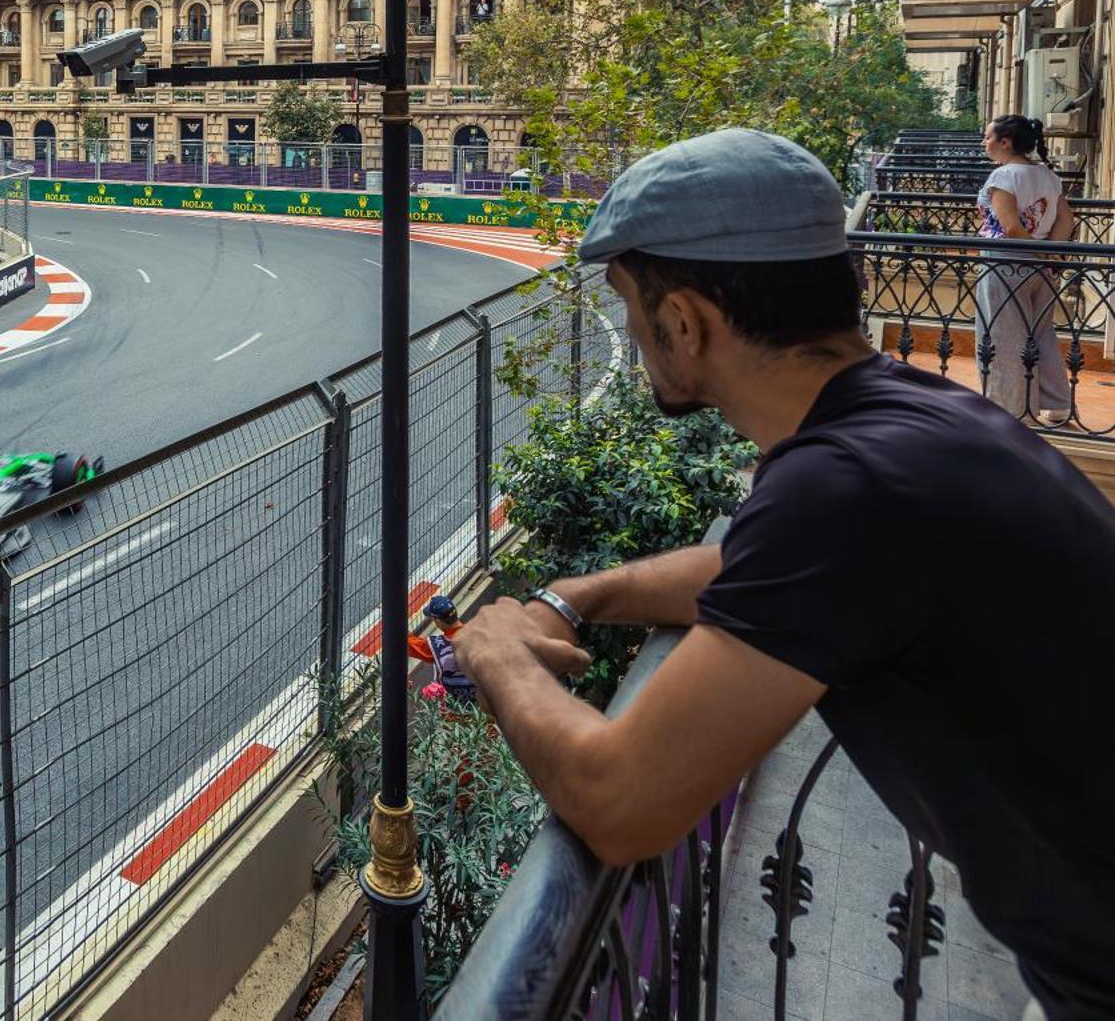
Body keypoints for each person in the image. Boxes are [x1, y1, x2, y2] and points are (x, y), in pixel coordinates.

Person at [448, 127, 1115, 1020]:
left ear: (685, 322)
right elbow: (753, 565)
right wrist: (580, 597)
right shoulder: (909, 419)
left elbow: (619, 801)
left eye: (631, 308)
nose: (636, 334)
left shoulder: (846, 491)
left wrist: (497, 649)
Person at [974, 114, 1074, 424]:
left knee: (1002, 336)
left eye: (988, 137)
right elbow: (1065, 220)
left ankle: (1013, 409)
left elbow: (1009, 226)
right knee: (1041, 332)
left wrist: (1035, 252)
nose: (984, 142)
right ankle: (1058, 405)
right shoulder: (1047, 175)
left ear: (1005, 142)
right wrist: (1049, 254)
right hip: (1041, 267)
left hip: (1005, 262)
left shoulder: (1004, 176)